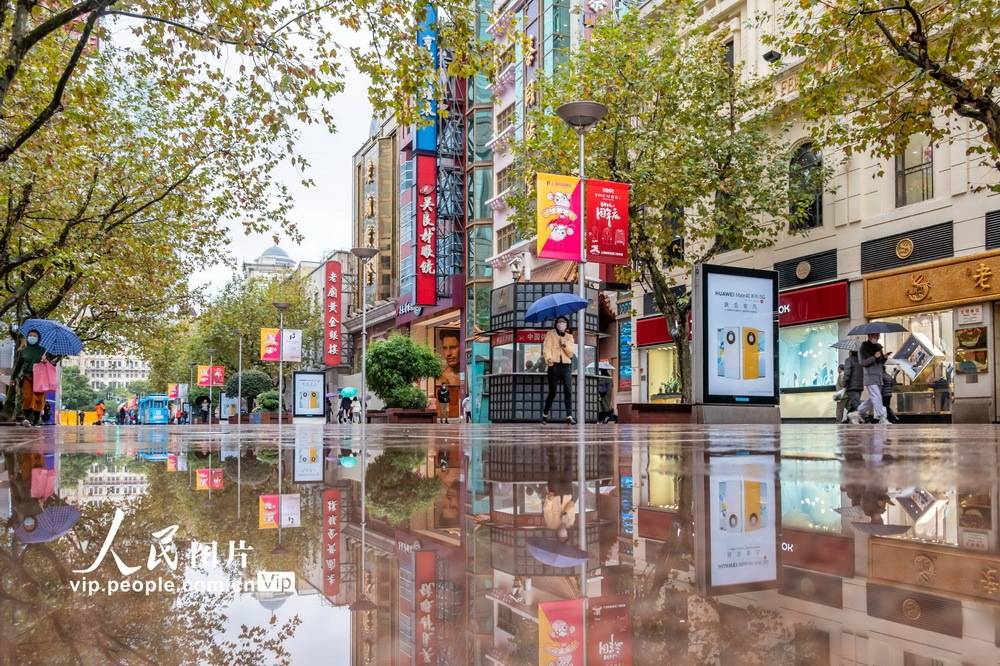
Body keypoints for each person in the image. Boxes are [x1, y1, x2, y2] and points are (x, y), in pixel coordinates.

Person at [542, 315, 576, 424]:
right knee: (553, 392)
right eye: (559, 322)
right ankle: (545, 414)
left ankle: (569, 416)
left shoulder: (569, 336)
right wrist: (548, 359)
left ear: (566, 325)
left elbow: (571, 353)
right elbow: (546, 348)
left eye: (564, 323)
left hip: (566, 366)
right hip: (554, 365)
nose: (561, 324)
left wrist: (564, 344)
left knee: (568, 389)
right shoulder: (550, 334)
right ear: (556, 324)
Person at [850, 333, 889, 424]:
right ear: (870, 336)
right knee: (877, 396)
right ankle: (882, 417)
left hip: (879, 376)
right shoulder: (863, 348)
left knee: (873, 399)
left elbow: (880, 363)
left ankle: (858, 412)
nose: (877, 338)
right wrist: (874, 357)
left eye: (878, 336)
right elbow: (862, 362)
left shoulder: (878, 347)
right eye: (876, 336)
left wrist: (884, 358)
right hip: (870, 377)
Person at [15, 329, 47, 427]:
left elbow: (49, 364)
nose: (32, 337)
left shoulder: (43, 350)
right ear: (28, 337)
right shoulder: (23, 350)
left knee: (39, 399)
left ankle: (37, 419)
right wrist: (13, 377)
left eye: (35, 336)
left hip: (40, 378)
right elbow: (18, 366)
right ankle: (27, 418)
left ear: (38, 338)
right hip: (27, 376)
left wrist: (45, 361)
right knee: (27, 397)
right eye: (30, 335)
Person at [841, 350, 864, 422]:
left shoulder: (848, 360)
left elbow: (847, 373)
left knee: (856, 403)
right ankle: (847, 419)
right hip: (859, 385)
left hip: (852, 386)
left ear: (850, 353)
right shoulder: (860, 361)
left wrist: (844, 383)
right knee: (852, 403)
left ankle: (865, 417)